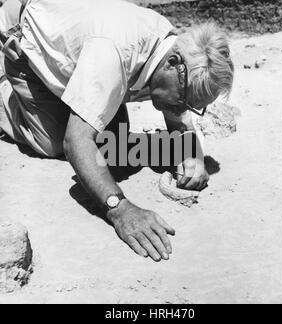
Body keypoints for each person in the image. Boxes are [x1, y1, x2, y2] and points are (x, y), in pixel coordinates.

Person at [0, 0, 234, 262]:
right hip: (24, 37)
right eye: (183, 99)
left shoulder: (171, 52)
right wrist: (120, 209)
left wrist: (191, 154)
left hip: (78, 46)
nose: (181, 109)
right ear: (172, 63)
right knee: (55, 143)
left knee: (113, 141)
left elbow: (178, 117)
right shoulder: (112, 54)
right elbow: (75, 141)